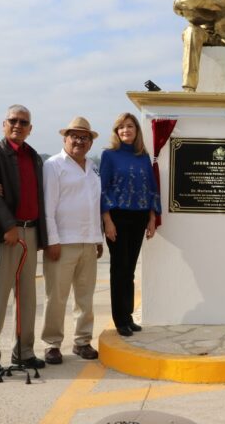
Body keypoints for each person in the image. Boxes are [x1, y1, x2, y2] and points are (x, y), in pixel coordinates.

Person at [0, 104, 48, 375]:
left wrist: (42, 236)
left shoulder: (34, 157)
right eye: (13, 120)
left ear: (30, 129)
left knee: (28, 297)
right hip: (4, 235)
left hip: (31, 233)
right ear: (3, 124)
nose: (17, 125)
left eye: (23, 122)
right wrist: (9, 226)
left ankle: (24, 352)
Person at [41, 117, 104, 364]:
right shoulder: (53, 165)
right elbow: (48, 207)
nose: (79, 141)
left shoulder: (92, 167)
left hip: (89, 241)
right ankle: (52, 344)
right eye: (74, 136)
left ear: (90, 142)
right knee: (56, 297)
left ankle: (82, 341)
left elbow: (93, 204)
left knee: (85, 297)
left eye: (84, 137)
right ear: (65, 139)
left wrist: (97, 238)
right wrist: (52, 241)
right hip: (63, 242)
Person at [100, 113, 160, 337]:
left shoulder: (143, 156)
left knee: (130, 270)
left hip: (139, 217)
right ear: (116, 131)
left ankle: (128, 316)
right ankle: (120, 320)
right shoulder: (109, 155)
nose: (126, 130)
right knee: (119, 269)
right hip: (117, 217)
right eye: (121, 127)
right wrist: (107, 221)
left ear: (137, 130)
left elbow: (151, 188)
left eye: (130, 126)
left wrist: (152, 218)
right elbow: (103, 189)